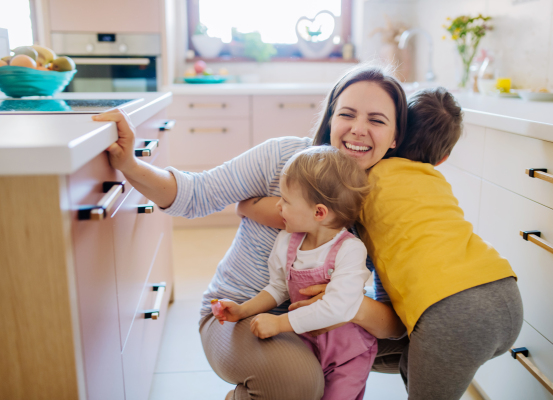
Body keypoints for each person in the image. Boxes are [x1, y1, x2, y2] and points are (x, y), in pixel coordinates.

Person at [91, 63, 409, 400]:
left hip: (327, 324)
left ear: (396, 137)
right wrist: (130, 165)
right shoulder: (284, 158)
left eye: (376, 120)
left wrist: (345, 305)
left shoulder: (390, 202)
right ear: (330, 117)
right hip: (240, 310)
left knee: (418, 344)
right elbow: (196, 194)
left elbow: (396, 322)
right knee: (298, 382)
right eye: (347, 114)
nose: (358, 129)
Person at [241, 88, 524, 400]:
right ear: (443, 159)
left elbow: (309, 211)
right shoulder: (435, 181)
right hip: (506, 293)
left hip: (452, 311)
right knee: (400, 358)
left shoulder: (366, 181)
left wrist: (248, 206)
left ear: (394, 138)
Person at [212, 146, 377, 400]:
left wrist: (278, 323)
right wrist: (244, 310)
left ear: (319, 212)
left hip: (347, 354)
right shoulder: (287, 241)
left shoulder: (350, 250)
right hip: (306, 341)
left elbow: (338, 307)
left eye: (286, 200)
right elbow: (278, 288)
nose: (278, 205)